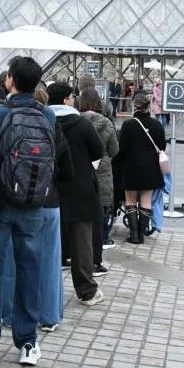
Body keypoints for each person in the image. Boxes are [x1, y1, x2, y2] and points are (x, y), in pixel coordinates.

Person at [0, 56, 56, 367]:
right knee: (29, 270)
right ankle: (28, 343)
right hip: (33, 204)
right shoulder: (47, 115)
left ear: (9, 80)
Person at [48, 82, 106, 307]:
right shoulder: (82, 124)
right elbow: (98, 151)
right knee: (82, 242)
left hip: (50, 188)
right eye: (72, 97)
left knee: (49, 241)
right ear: (65, 99)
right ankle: (86, 290)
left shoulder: (44, 120)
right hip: (80, 188)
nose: (74, 100)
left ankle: (47, 292)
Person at [116, 91, 166, 244]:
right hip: (151, 169)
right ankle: (142, 233)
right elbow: (162, 146)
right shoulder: (157, 125)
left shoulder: (128, 125)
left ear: (134, 107)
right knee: (146, 201)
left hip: (131, 168)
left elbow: (121, 148)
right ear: (148, 107)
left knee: (130, 200)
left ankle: (133, 235)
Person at [77, 88, 119, 254]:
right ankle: (103, 238)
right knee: (103, 203)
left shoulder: (75, 121)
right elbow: (115, 149)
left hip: (81, 168)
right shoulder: (107, 123)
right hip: (102, 168)